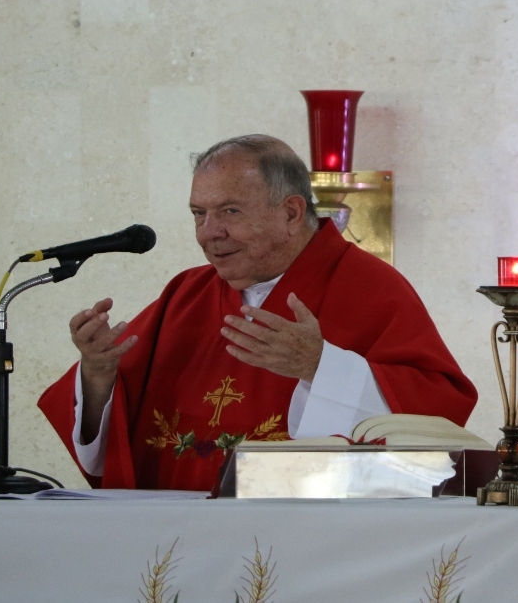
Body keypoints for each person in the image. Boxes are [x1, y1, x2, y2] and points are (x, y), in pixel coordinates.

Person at [38, 135, 477, 490]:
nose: (210, 233)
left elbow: (438, 409)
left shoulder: (370, 288)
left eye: (230, 211)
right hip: (174, 539)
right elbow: (109, 436)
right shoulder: (186, 293)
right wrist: (97, 375)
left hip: (303, 542)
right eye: (199, 214)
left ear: (290, 212)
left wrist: (321, 367)